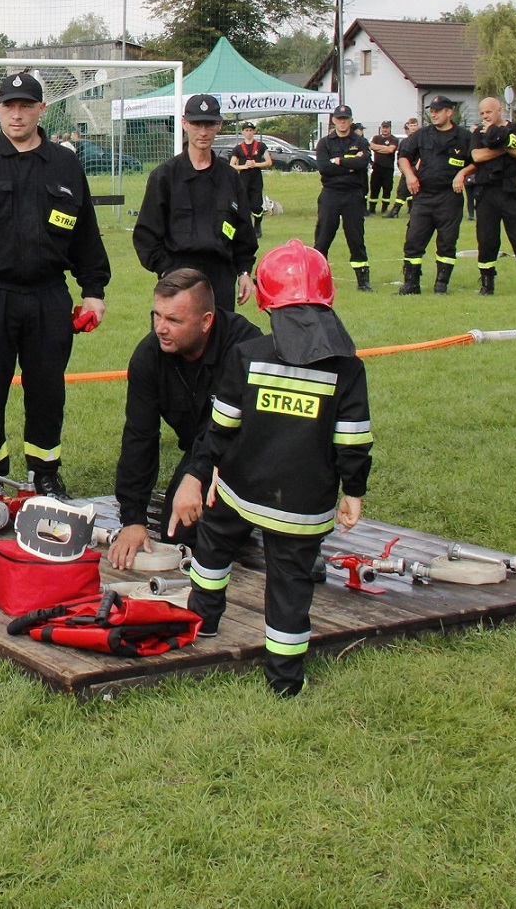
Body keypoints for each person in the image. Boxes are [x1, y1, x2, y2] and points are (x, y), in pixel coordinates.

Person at [165, 240, 372, 698]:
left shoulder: (248, 355)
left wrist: (201, 473)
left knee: (213, 550)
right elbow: (352, 440)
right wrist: (353, 491)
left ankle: (204, 621)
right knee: (290, 588)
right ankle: (285, 682)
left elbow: (220, 427)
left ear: (265, 298)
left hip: (240, 491)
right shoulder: (347, 368)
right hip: (303, 507)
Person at [0, 70, 111, 497]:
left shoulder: (66, 164)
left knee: (48, 390)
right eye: (9, 106)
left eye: (26, 106)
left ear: (41, 110)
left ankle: (45, 474)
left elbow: (85, 232)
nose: (17, 115)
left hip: (48, 295)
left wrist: (93, 291)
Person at [106, 269, 263, 563]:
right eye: (157, 316)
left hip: (249, 446)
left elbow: (237, 431)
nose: (160, 328)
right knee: (178, 533)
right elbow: (140, 437)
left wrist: (197, 476)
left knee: (210, 533)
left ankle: (259, 515)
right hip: (202, 447)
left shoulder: (245, 348)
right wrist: (133, 520)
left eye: (173, 320)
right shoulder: (148, 357)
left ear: (206, 322)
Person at [134, 93, 258, 312]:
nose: (203, 132)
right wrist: (166, 271)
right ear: (184, 123)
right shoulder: (164, 177)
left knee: (220, 343)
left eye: (209, 124)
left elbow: (244, 234)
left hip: (220, 278)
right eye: (196, 124)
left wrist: (244, 272)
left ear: (219, 125)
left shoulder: (230, 178)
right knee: (174, 343)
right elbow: (145, 235)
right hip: (178, 277)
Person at [397, 97, 474, 294]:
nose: (433, 114)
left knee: (447, 242)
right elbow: (404, 155)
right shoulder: (422, 135)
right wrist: (409, 175)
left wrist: (462, 173)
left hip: (449, 196)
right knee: (413, 241)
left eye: (438, 111)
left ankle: (441, 285)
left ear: (449, 112)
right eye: (431, 110)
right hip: (423, 196)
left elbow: (476, 160)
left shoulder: (463, 137)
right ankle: (411, 284)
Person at [469, 97, 516, 297]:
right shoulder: (478, 133)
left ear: (499, 110)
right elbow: (477, 156)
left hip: (512, 191)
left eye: (489, 112)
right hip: (486, 192)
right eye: (482, 113)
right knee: (486, 240)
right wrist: (503, 147)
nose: (485, 116)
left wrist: (500, 140)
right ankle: (487, 283)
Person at [314, 105, 374, 293]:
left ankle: (363, 281)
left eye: (345, 118)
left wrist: (339, 161)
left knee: (356, 237)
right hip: (331, 193)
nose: (342, 122)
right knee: (323, 237)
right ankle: (316, 279)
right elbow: (324, 168)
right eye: (339, 118)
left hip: (353, 194)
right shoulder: (324, 143)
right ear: (333, 120)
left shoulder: (360, 141)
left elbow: (363, 163)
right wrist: (349, 165)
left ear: (350, 120)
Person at [228, 122, 271, 235]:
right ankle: (246, 228)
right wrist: (244, 166)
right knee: (243, 204)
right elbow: (232, 165)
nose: (249, 133)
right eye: (246, 130)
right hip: (243, 179)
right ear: (242, 132)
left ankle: (257, 226)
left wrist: (255, 164)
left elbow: (269, 162)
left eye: (251, 130)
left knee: (257, 205)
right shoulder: (238, 148)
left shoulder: (261, 146)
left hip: (256, 178)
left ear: (254, 131)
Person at [368, 121, 399, 216]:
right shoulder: (376, 138)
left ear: (390, 128)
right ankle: (372, 209)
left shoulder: (393, 139)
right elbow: (371, 146)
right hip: (377, 167)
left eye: (387, 127)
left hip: (388, 169)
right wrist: (385, 148)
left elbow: (391, 149)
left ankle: (384, 208)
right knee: (374, 188)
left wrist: (378, 148)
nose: (385, 129)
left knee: (387, 189)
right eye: (383, 127)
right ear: (381, 128)